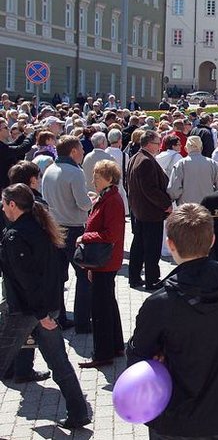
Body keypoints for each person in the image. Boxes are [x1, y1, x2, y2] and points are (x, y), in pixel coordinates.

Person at [127, 203, 218, 439]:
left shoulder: (160, 303)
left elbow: (137, 358)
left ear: (170, 244)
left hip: (177, 420)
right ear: (212, 240)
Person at [0, 184, 90, 430]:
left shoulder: (16, 235)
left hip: (29, 312)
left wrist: (41, 315)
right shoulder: (41, 226)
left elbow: (26, 281)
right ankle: (79, 413)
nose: (2, 207)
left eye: (4, 203)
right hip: (45, 309)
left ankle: (79, 412)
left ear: (13, 205)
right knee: (59, 363)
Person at [40, 135, 93, 332]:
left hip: (54, 229)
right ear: (73, 151)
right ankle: (82, 322)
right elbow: (83, 203)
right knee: (83, 275)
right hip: (74, 229)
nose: (83, 152)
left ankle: (59, 317)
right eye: (81, 149)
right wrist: (92, 200)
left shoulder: (49, 170)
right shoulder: (75, 172)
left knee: (57, 277)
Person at [77, 160, 126, 369]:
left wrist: (85, 237)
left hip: (106, 260)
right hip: (103, 261)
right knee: (107, 304)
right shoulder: (107, 196)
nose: (93, 180)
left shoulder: (112, 199)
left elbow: (111, 234)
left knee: (100, 309)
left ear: (108, 178)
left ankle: (103, 353)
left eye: (97, 177)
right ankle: (114, 346)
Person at [126, 130, 172, 290]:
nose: (159, 146)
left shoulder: (136, 158)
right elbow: (150, 189)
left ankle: (135, 277)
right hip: (150, 212)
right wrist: (166, 204)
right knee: (151, 248)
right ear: (148, 144)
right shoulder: (145, 160)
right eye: (157, 143)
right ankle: (152, 279)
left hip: (140, 210)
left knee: (139, 245)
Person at [168, 136, 218, 206]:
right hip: (207, 206)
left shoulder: (180, 164)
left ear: (186, 149)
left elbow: (173, 190)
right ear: (201, 148)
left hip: (186, 206)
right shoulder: (213, 164)